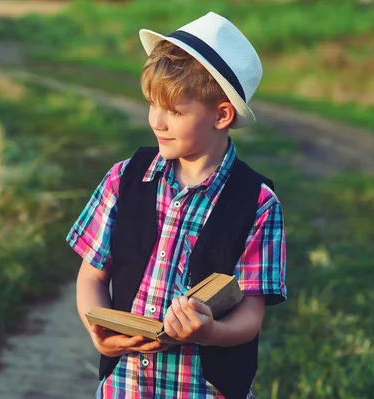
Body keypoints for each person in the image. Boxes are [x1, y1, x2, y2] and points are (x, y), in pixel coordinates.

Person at [66, 11, 286, 399]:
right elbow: (92, 277)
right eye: (152, 104)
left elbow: (250, 316)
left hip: (202, 390)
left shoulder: (257, 203)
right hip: (126, 385)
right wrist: (99, 334)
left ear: (221, 115)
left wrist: (210, 332)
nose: (157, 121)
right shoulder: (124, 179)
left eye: (175, 111)